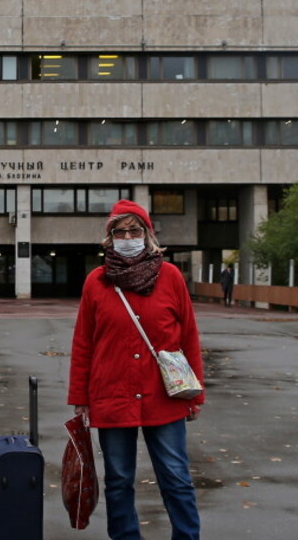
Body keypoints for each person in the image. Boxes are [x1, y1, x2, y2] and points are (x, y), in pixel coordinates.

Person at [69, 199, 204, 540]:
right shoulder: (96, 281)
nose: (128, 237)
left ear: (147, 234)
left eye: (134, 230)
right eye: (120, 232)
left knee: (176, 476)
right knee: (118, 479)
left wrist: (196, 393)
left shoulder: (170, 277)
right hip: (111, 394)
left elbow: (189, 336)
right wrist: (80, 398)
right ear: (110, 238)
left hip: (165, 395)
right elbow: (83, 342)